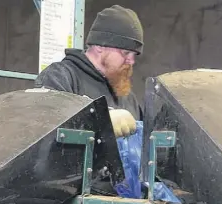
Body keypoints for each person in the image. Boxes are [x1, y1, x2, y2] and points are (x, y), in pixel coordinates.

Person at [35, 5, 143, 137]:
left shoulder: (126, 96)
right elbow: (44, 130)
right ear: (100, 46)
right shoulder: (61, 77)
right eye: (126, 53)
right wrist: (98, 120)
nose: (131, 61)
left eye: (134, 55)